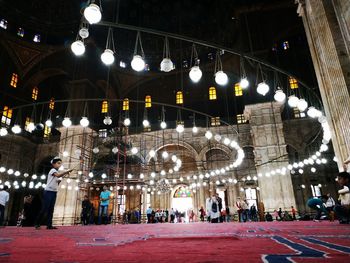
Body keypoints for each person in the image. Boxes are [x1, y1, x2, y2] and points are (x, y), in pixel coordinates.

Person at [35, 157, 73, 229]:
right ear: (53, 164)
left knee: (51, 209)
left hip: (54, 192)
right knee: (45, 208)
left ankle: (49, 225)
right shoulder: (52, 170)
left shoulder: (56, 172)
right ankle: (37, 223)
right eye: (58, 163)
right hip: (48, 191)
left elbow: (57, 181)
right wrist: (66, 171)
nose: (59, 165)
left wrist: (63, 176)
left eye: (60, 163)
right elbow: (58, 175)